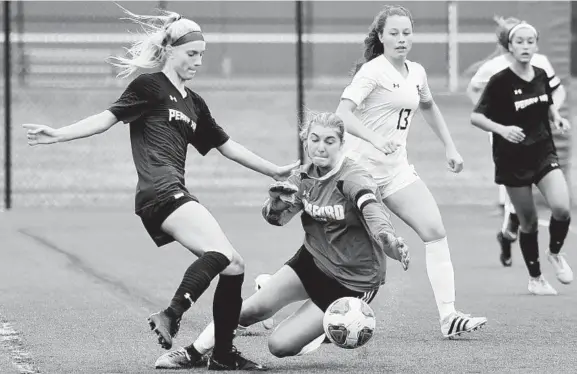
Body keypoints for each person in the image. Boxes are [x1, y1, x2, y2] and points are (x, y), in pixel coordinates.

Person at [22, 6, 299, 370]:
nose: (198, 61)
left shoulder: (195, 103)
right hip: (160, 190)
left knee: (233, 265)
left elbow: (227, 146)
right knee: (221, 253)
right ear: (170, 51)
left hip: (171, 193)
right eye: (191, 54)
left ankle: (221, 355)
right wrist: (59, 134)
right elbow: (106, 119)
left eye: (202, 54)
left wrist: (274, 168)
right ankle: (172, 313)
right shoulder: (149, 86)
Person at [154, 111, 410, 369]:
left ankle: (322, 328)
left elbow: (373, 211)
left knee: (279, 346)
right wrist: (276, 203)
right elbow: (275, 220)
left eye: (330, 141)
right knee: (246, 311)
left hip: (353, 281)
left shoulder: (353, 178)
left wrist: (390, 242)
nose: (321, 147)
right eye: (315, 139)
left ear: (342, 144)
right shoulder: (301, 178)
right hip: (313, 261)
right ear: (306, 140)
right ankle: (193, 353)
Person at [334, 5, 487, 338]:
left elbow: (429, 106)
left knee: (435, 230)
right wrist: (375, 138)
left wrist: (450, 147)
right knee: (339, 254)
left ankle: (449, 317)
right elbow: (342, 113)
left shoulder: (416, 72)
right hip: (358, 173)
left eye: (406, 33)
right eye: (394, 33)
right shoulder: (372, 71)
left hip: (396, 171)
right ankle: (269, 293)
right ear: (380, 36)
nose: (401, 39)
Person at [470, 21, 573, 295]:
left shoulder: (540, 73)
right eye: (520, 42)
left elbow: (548, 100)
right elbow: (476, 116)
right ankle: (536, 277)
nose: (526, 46)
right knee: (527, 222)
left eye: (530, 41)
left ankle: (555, 253)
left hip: (542, 151)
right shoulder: (499, 80)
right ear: (510, 46)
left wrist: (556, 117)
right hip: (512, 159)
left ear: (536, 45)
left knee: (562, 208)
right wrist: (502, 129)